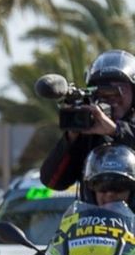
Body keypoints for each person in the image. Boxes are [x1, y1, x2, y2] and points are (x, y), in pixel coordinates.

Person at [40, 50, 135, 194]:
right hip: (94, 215)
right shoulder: (88, 132)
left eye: (119, 91)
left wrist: (116, 130)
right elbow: (53, 181)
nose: (112, 99)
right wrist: (71, 138)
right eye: (103, 92)